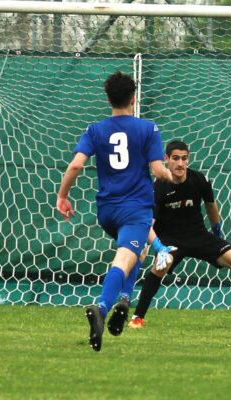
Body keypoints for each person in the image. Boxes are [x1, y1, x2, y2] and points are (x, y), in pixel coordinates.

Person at [56, 71, 172, 352]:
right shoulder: (148, 128)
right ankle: (102, 306)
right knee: (124, 259)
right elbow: (158, 170)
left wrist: (63, 195)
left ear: (108, 98)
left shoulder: (95, 130)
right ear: (134, 98)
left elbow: (75, 166)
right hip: (135, 209)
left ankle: (124, 298)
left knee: (138, 253)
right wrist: (172, 175)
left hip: (107, 210)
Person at [123, 140, 231, 329]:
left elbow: (210, 205)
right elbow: (150, 223)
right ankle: (137, 318)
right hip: (170, 240)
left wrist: (217, 232)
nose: (180, 163)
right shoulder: (158, 188)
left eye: (184, 158)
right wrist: (154, 246)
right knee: (159, 267)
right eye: (175, 159)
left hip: (199, 236)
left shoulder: (199, 180)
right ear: (166, 160)